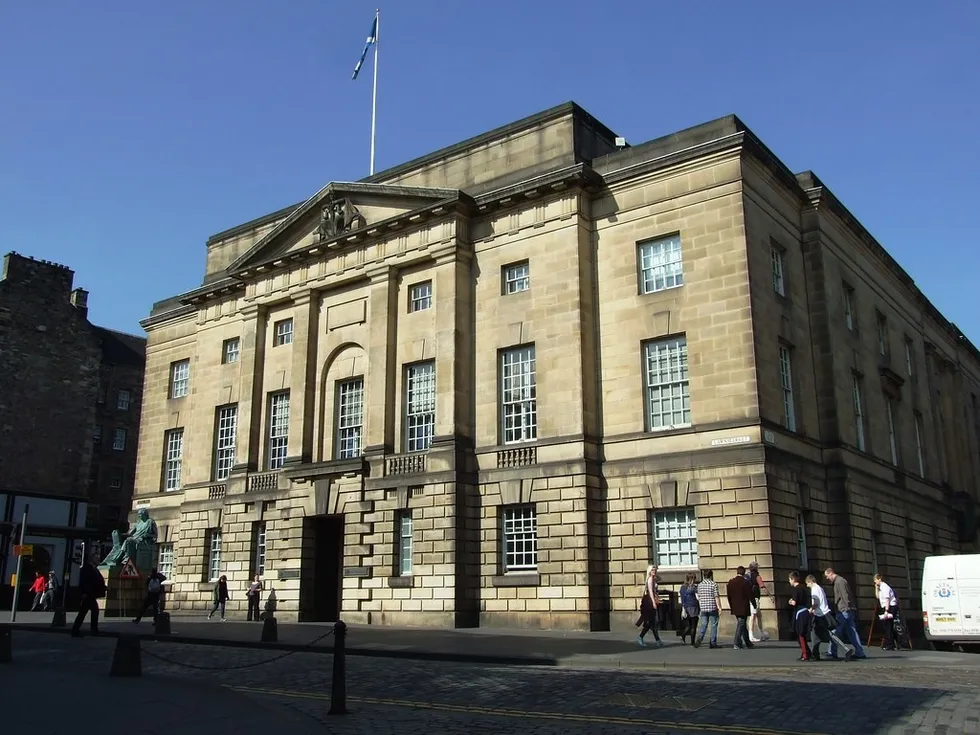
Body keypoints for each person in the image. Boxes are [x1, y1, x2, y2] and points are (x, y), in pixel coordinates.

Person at [823, 568, 867, 660]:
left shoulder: (840, 581)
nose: (827, 579)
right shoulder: (839, 581)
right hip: (847, 610)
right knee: (852, 632)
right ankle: (860, 652)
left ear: (831, 573)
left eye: (827, 577)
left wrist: (847, 608)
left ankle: (832, 652)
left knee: (835, 631)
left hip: (844, 610)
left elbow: (845, 595)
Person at [71, 553, 106, 637]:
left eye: (98, 558)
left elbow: (98, 581)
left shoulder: (95, 569)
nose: (98, 559)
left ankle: (75, 630)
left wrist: (104, 587)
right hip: (88, 594)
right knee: (94, 611)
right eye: (96, 558)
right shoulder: (87, 568)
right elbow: (84, 581)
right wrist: (83, 593)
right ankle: (94, 630)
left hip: (91, 594)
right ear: (92, 559)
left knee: (83, 612)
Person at [745, 561, 774, 642]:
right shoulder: (757, 576)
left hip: (749, 597)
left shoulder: (747, 575)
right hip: (755, 598)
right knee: (753, 616)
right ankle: (751, 635)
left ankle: (762, 633)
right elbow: (763, 587)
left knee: (758, 615)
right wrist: (770, 596)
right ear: (755, 568)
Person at [636, 564, 664, 647]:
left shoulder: (653, 579)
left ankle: (658, 640)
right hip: (649, 602)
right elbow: (651, 592)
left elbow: (658, 581)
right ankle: (641, 637)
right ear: (649, 571)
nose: (654, 572)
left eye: (655, 570)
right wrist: (653, 602)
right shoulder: (650, 579)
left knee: (653, 622)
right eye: (652, 570)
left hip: (650, 601)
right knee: (650, 622)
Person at [727, 566, 754, 650]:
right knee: (741, 624)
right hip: (743, 607)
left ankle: (747, 642)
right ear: (744, 572)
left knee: (742, 624)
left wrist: (731, 605)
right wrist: (754, 603)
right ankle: (737, 643)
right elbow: (750, 595)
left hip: (735, 606)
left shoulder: (731, 582)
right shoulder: (745, 582)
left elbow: (729, 596)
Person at [788, 571, 813, 661]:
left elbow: (794, 602)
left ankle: (805, 654)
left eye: (790, 580)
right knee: (802, 634)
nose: (789, 582)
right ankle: (807, 652)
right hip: (805, 611)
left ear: (793, 579)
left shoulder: (795, 589)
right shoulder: (803, 588)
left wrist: (790, 601)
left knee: (800, 634)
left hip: (800, 613)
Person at [694, 570, 721, 649]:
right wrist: (719, 607)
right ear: (711, 576)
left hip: (703, 608)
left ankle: (700, 638)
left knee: (704, 624)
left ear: (704, 576)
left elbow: (698, 597)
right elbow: (716, 597)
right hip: (712, 607)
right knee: (714, 625)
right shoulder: (713, 584)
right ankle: (712, 642)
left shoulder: (700, 585)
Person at [874, 573, 900, 651]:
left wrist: (886, 610)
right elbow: (877, 597)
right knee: (888, 625)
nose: (875, 582)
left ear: (879, 579)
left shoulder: (885, 587)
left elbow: (887, 599)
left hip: (890, 607)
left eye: (875, 580)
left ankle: (890, 645)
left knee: (888, 626)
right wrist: (876, 588)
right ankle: (898, 641)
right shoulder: (880, 587)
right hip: (887, 607)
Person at [679, 572, 700, 645]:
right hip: (693, 606)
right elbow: (698, 598)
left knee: (689, 625)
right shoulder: (694, 587)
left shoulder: (682, 587)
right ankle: (692, 642)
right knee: (694, 625)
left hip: (686, 607)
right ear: (692, 579)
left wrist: (683, 608)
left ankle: (683, 636)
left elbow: (682, 598)